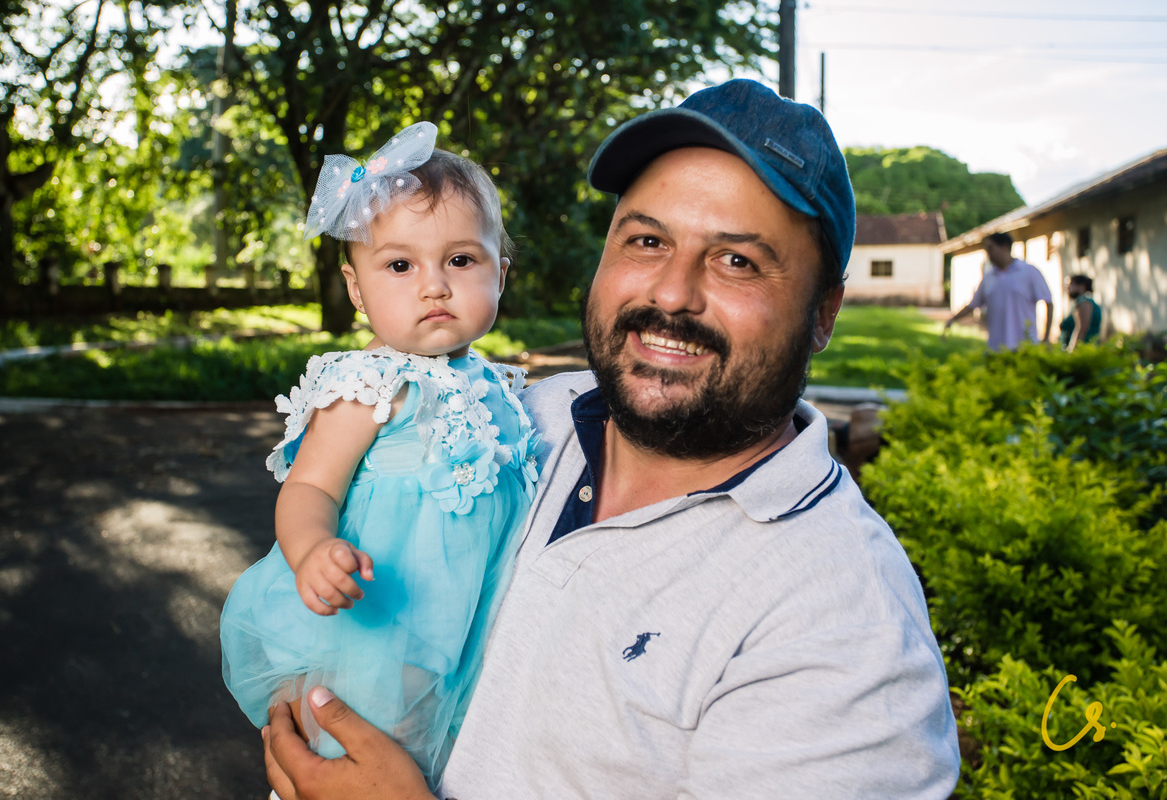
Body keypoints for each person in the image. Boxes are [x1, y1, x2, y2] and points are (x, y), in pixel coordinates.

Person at [262, 80, 961, 799]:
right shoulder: (521, 419)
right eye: (648, 241)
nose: (671, 292)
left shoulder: (845, 625)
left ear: (824, 313)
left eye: (737, 260)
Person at [219, 121, 541, 789]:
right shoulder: (369, 382)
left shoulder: (498, 387)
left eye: (461, 261)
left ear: (500, 274)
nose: (434, 286)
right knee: (358, 756)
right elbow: (311, 488)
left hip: (471, 633)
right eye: (400, 266)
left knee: (448, 767)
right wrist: (313, 550)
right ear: (357, 288)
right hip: (378, 633)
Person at [944, 231, 1054, 351]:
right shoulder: (989, 277)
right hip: (996, 348)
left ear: (1005, 247)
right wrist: (952, 319)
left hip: (1025, 347)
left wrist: (1046, 337)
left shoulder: (1029, 272)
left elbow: (1048, 302)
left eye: (991, 249)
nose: (988, 254)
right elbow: (972, 305)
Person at [1059, 274, 1102, 351]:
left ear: (1081, 286)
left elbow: (1081, 329)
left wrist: (1073, 350)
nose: (1068, 289)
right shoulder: (1082, 301)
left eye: (1070, 285)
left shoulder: (1084, 302)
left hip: (1084, 349)